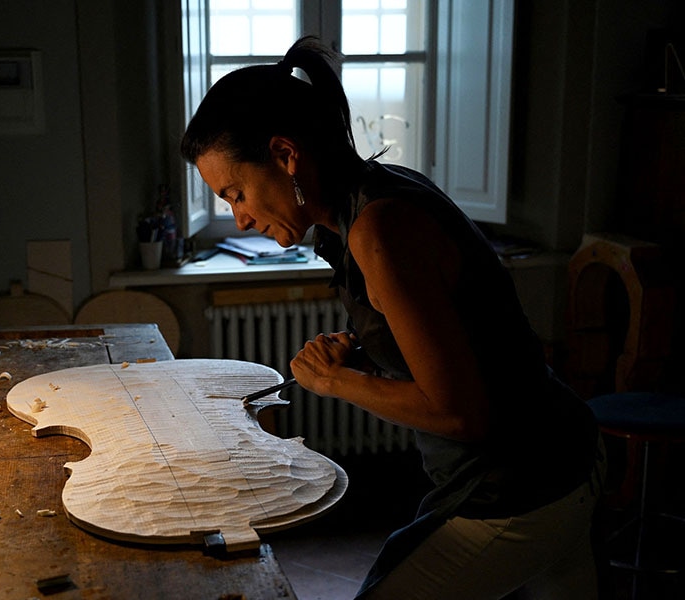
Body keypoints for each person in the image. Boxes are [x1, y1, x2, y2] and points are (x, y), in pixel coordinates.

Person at [181, 36, 605, 599]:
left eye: (235, 193)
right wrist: (362, 348)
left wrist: (336, 381)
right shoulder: (377, 194)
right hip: (563, 453)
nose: (238, 219)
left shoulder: (379, 231)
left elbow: (461, 413)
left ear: (286, 156)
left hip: (523, 484)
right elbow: (453, 328)